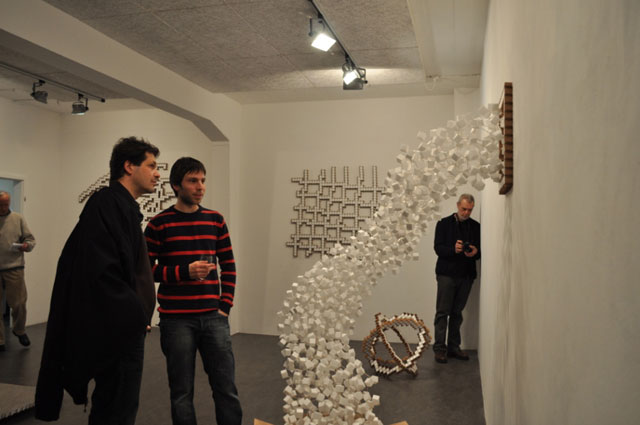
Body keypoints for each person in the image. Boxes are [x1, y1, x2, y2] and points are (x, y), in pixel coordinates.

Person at [35, 137, 160, 424]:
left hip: (125, 327)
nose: (157, 174)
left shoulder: (121, 206)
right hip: (119, 330)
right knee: (116, 409)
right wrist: (134, 314)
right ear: (129, 166)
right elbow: (102, 271)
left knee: (119, 405)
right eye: (151, 166)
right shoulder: (108, 204)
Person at [145, 157, 242, 425]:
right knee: (181, 393)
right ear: (177, 185)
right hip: (176, 320)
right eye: (193, 181)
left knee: (226, 389)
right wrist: (183, 272)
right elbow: (144, 271)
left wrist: (225, 307)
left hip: (214, 318)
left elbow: (229, 265)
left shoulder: (215, 220)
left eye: (202, 181)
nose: (200, 187)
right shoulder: (158, 224)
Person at [433, 193, 480, 364]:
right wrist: (453, 249)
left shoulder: (476, 227)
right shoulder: (444, 224)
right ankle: (440, 349)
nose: (466, 213)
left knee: (457, 313)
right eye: (464, 209)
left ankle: (453, 347)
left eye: (470, 210)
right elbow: (438, 248)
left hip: (466, 275)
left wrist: (475, 252)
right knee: (442, 312)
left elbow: (480, 251)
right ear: (458, 205)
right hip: (446, 274)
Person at [0, 191, 36, 351]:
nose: (3, 208)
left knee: (19, 303)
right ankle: (0, 340)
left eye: (5, 204)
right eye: (0, 205)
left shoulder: (18, 219)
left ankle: (19, 330)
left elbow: (30, 239)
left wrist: (26, 246)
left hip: (14, 267)